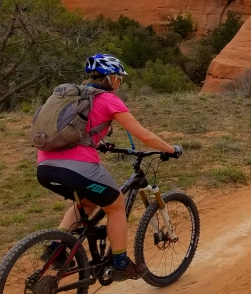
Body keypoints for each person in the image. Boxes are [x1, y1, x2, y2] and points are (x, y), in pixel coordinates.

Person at [36, 54, 181, 281]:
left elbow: (75, 131)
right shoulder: (108, 99)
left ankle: (56, 249)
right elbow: (143, 136)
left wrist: (100, 143)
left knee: (87, 202)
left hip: (45, 167)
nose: (120, 83)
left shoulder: (75, 96)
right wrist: (171, 149)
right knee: (116, 204)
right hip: (78, 167)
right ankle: (120, 263)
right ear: (111, 78)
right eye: (119, 79)